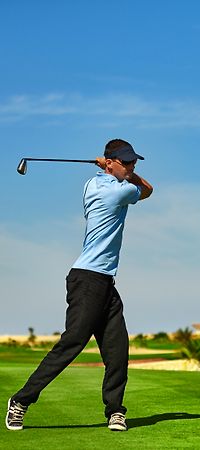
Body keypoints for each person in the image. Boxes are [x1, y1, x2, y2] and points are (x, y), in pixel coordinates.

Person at [6, 139, 153, 432]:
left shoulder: (92, 184)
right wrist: (123, 173)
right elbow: (148, 190)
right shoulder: (117, 191)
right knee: (72, 343)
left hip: (103, 281)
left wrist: (110, 168)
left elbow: (127, 180)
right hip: (87, 280)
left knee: (117, 349)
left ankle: (115, 411)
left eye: (133, 162)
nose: (131, 167)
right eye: (126, 162)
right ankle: (20, 401)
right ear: (110, 162)